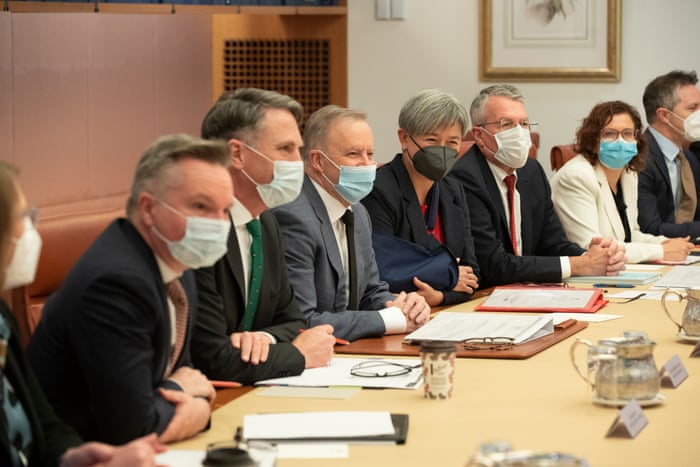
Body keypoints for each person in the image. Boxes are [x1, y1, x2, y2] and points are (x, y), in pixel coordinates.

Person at [27, 134, 230, 444]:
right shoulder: (116, 282)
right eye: (201, 206)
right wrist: (195, 409)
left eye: (225, 210)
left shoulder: (177, 264)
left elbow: (188, 375)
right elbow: (133, 427)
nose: (218, 224)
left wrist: (189, 394)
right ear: (148, 208)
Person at [0, 161, 168, 466]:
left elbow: (46, 424)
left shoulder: (1, 319)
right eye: (22, 217)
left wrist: (73, 456)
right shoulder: (113, 281)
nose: (30, 228)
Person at [194, 88, 335, 385]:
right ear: (237, 154)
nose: (298, 162)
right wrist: (298, 355)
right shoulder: (198, 231)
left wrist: (263, 338)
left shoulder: (266, 221)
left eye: (298, 149)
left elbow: (293, 320)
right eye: (285, 149)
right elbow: (210, 356)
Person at [272, 105, 431, 342]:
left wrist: (403, 305)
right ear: (317, 160)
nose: (367, 164)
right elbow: (302, 321)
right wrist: (390, 319)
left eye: (370, 154)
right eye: (354, 154)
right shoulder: (293, 217)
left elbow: (370, 292)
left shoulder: (357, 211)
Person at [448, 84, 626, 288]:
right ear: (479, 135)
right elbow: (494, 265)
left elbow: (553, 244)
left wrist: (596, 257)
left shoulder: (531, 172)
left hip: (530, 292)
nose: (518, 132)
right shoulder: (464, 178)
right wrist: (581, 264)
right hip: (486, 295)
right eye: (506, 124)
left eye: (524, 123)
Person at [361, 89, 480, 306]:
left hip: (444, 310)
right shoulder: (379, 190)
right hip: (401, 313)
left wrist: (440, 296)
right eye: (432, 140)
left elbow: (472, 275)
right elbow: (382, 271)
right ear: (404, 138)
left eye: (452, 142)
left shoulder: (453, 190)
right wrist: (448, 274)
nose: (442, 150)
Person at [550, 101, 693, 264]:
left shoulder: (628, 173)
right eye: (610, 134)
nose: (620, 141)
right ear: (593, 139)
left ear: (637, 138)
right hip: (586, 274)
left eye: (627, 133)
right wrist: (660, 251)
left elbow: (630, 235)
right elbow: (592, 248)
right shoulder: (576, 176)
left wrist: (666, 243)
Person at [638, 70, 700, 239]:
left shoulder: (690, 158)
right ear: (664, 115)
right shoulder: (639, 158)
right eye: (693, 108)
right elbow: (649, 227)